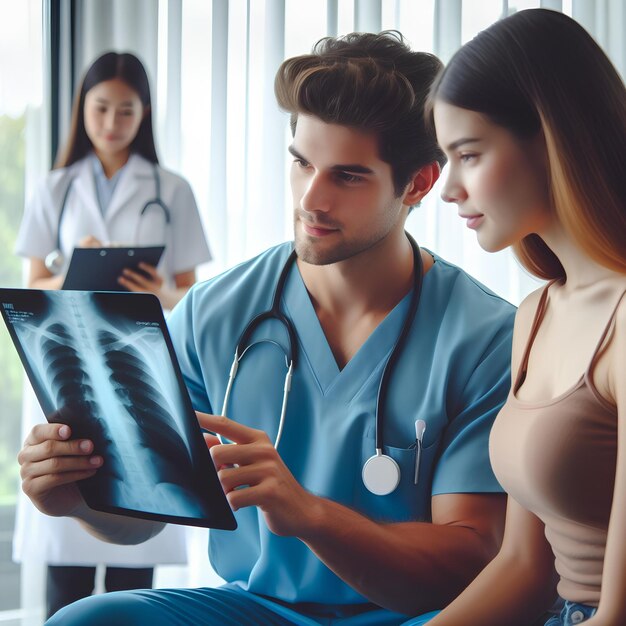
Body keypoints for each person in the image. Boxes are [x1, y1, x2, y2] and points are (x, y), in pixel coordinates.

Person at [20, 32, 515, 625]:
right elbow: (144, 515)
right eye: (302, 162)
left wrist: (310, 514)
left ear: (418, 183)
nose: (312, 198)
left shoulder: (484, 337)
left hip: (415, 618)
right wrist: (77, 498)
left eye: (348, 176)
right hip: (257, 610)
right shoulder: (214, 312)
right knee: (85, 621)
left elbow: (470, 560)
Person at [426, 8, 626, 626]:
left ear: (552, 139)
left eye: (469, 155)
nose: (447, 188)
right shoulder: (535, 314)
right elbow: (523, 568)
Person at [13, 51, 212, 618]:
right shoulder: (56, 186)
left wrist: (154, 287)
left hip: (138, 358)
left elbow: (187, 292)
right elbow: (33, 282)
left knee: (134, 550)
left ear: (143, 114)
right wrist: (81, 267)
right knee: (66, 536)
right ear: (83, 110)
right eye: (101, 108)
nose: (111, 122)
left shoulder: (171, 188)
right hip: (69, 354)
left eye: (126, 111)